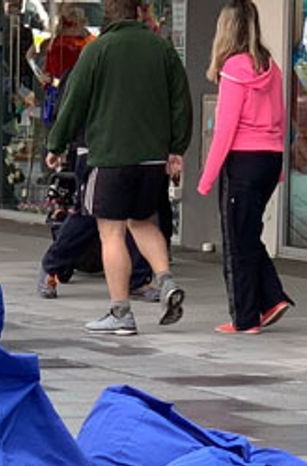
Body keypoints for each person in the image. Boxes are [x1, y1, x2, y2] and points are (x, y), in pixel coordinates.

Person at [45, 0, 190, 336]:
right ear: (139, 11)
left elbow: (74, 101)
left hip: (110, 156)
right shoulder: (163, 49)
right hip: (153, 158)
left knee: (110, 231)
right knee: (142, 220)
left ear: (107, 15)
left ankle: (120, 311)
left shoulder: (97, 50)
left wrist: (56, 144)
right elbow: (180, 101)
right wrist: (176, 148)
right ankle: (165, 279)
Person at [197, 0, 289, 335]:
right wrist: (278, 167)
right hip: (269, 158)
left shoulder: (234, 68)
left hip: (243, 160)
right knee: (248, 233)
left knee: (236, 240)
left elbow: (225, 130)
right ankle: (272, 297)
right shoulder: (270, 66)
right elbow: (279, 117)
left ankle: (245, 318)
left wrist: (206, 178)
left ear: (226, 29)